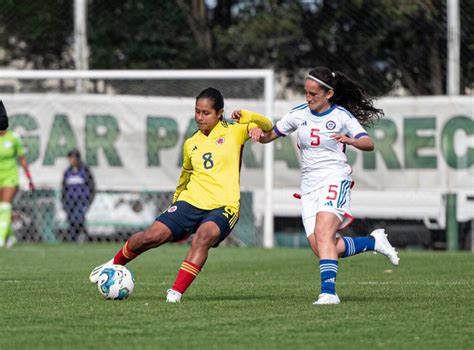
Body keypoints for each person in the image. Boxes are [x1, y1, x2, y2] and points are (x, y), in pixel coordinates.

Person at [232, 66, 399, 305]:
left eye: (314, 94)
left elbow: (368, 142)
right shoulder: (298, 114)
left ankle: (328, 293)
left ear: (328, 94)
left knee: (323, 233)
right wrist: (257, 133)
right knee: (322, 247)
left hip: (335, 178)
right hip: (309, 186)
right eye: (306, 93)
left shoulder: (341, 116)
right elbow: (272, 135)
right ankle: (374, 242)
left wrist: (351, 140)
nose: (308, 98)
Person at [88, 87, 273, 302]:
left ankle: (175, 294)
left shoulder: (235, 130)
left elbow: (267, 126)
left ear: (219, 113)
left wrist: (251, 121)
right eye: (197, 112)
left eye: (206, 113)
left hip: (224, 206)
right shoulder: (191, 143)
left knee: (203, 237)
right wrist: (176, 205)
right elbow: (185, 177)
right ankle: (114, 263)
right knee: (151, 236)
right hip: (190, 201)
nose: (199, 117)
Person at [0, 100, 34, 248]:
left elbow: (22, 159)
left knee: (5, 206)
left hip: (10, 176)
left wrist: (28, 177)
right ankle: (11, 236)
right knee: (2, 209)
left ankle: (1, 238)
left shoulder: (14, 138)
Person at [61, 149, 96, 242]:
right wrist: (63, 200)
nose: (71, 160)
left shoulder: (85, 170)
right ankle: (73, 238)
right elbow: (64, 187)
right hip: (70, 200)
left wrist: (90, 199)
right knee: (71, 220)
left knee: (78, 218)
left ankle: (82, 235)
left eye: (72, 158)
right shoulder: (67, 172)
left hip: (81, 200)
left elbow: (91, 185)